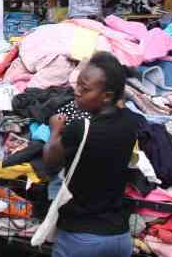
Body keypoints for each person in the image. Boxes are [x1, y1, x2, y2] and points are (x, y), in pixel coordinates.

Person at [43, 52, 139, 257]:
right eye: (77, 85)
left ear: (107, 96)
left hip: (81, 238)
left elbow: (50, 162)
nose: (76, 92)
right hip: (119, 237)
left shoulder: (80, 128)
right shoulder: (131, 122)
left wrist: (55, 131)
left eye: (84, 89)